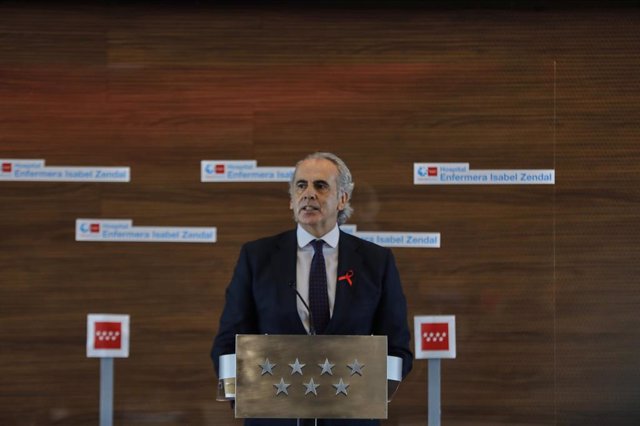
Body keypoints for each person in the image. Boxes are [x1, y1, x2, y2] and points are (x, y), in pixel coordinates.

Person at [211, 152, 413, 426]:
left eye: (320, 185)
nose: (308, 194)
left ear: (343, 199)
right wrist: (248, 400)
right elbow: (227, 342)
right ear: (291, 200)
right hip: (273, 418)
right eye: (300, 186)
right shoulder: (257, 257)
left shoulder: (376, 262)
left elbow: (397, 348)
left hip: (350, 420)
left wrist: (371, 398)